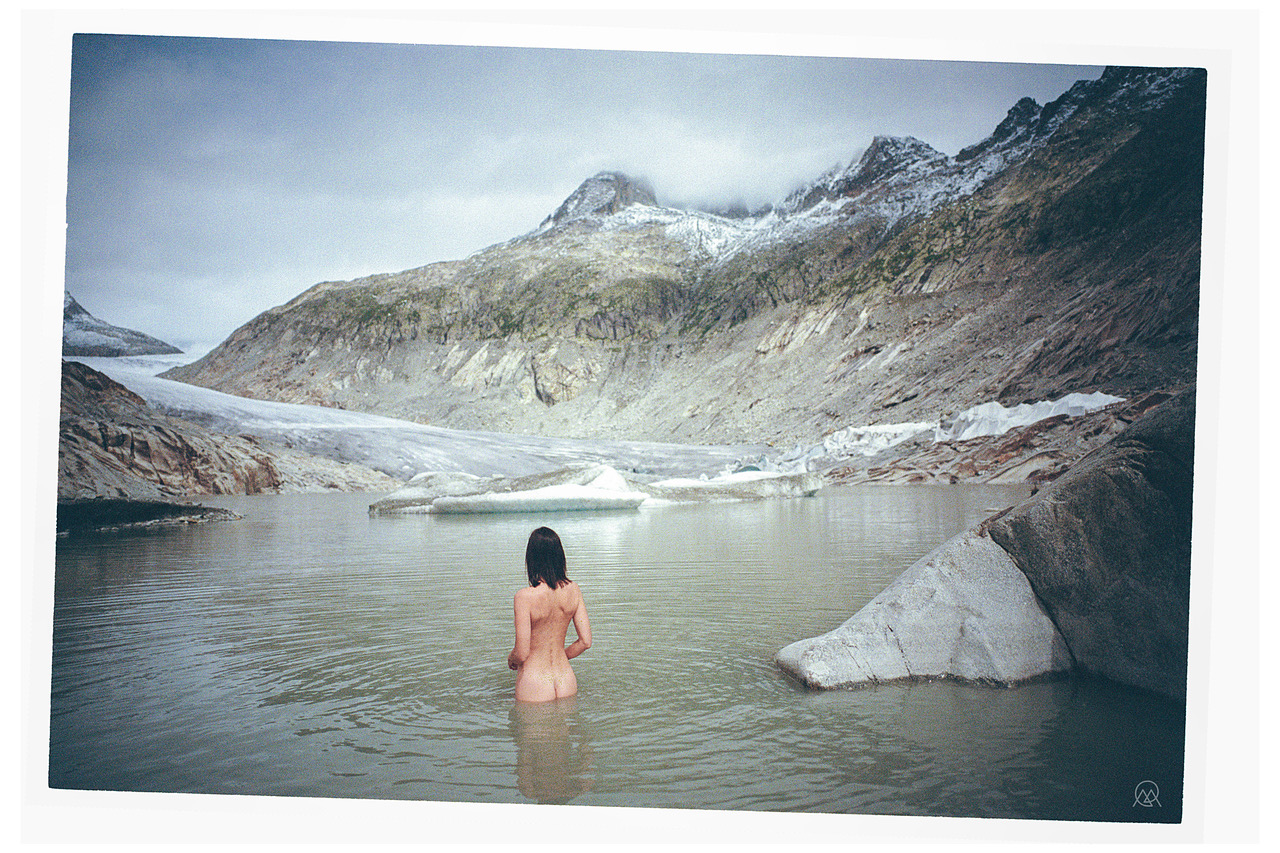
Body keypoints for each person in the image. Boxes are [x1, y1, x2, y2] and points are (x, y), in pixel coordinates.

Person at [507, 527, 592, 702]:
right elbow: (585, 642)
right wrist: (559, 655)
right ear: (560, 556)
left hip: (534, 685)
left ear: (531, 558)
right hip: (566, 681)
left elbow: (522, 653)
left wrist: (511, 658)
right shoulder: (573, 590)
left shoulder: (524, 597)